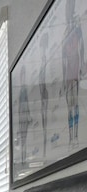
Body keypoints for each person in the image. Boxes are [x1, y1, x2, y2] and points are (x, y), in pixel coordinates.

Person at [62, 0, 85, 148]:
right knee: (69, 107)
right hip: (69, 71)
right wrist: (64, 78)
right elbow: (63, 57)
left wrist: (82, 64)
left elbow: (81, 47)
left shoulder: (77, 29)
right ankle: (71, 137)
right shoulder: (66, 32)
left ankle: (75, 136)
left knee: (75, 105)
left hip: (75, 69)